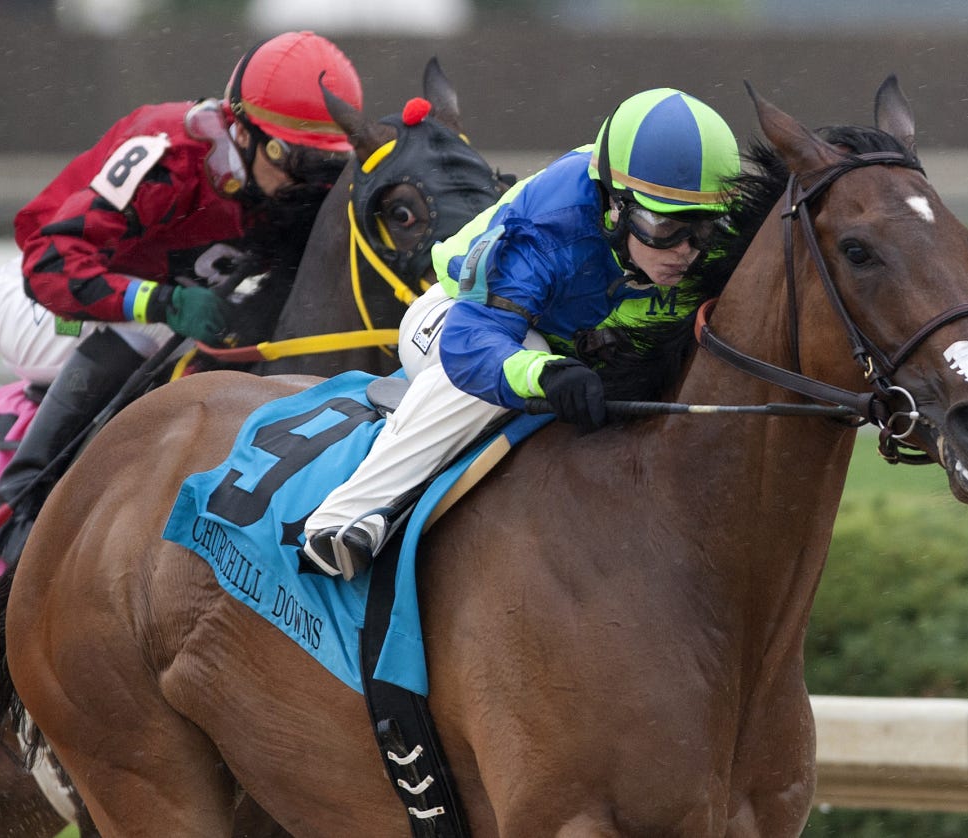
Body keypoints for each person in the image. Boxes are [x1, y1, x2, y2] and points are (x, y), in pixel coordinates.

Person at [301, 86, 741, 580]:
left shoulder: (701, 234)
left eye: (704, 229)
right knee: (528, 347)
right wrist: (544, 375)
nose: (685, 251)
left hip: (573, 344)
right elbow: (472, 344)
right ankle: (345, 518)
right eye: (664, 227)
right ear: (615, 206)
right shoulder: (549, 223)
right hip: (457, 320)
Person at [0, 30, 363, 559]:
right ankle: (19, 502)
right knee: (157, 322)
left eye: (324, 164)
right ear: (242, 130)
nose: (308, 182)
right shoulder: (167, 153)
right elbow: (50, 265)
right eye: (294, 159)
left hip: (142, 305)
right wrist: (161, 303)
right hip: (41, 302)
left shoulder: (284, 180)